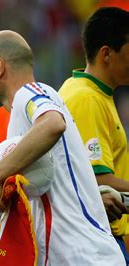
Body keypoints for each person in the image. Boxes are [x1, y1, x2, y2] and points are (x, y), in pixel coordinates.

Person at [0, 30, 124, 265]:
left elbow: (54, 123)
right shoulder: (20, 121)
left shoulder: (31, 92)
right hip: (72, 255)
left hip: (83, 256)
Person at [58, 7, 129, 261]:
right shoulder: (86, 98)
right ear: (107, 54)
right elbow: (96, 181)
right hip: (95, 243)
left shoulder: (93, 92)